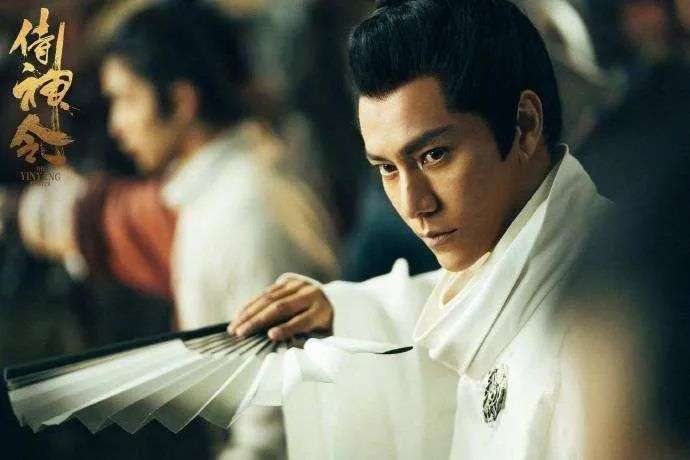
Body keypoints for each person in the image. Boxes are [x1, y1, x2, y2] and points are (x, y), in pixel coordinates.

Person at [228, 0, 611, 458]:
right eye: (387, 168)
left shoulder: (615, 315)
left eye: (434, 156)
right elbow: (449, 304)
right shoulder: (502, 256)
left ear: (525, 125)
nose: (414, 205)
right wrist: (341, 314)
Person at [17, 2, 338, 459]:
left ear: (182, 102)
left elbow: (278, 430)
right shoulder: (210, 197)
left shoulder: (246, 213)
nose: (117, 124)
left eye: (127, 99)